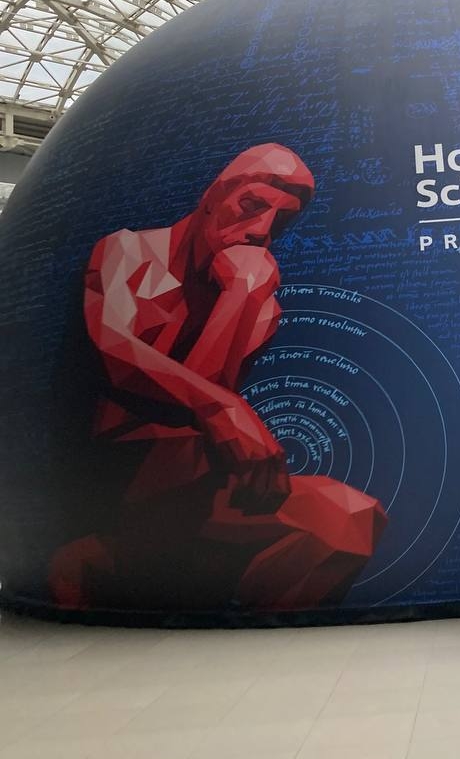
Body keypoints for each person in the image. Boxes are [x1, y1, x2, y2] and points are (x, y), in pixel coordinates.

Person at [49, 143, 386, 614]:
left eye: (281, 221)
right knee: (187, 450)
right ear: (213, 195)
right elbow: (116, 357)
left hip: (190, 480)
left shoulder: (258, 300)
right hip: (110, 475)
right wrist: (222, 407)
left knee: (350, 518)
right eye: (251, 205)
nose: (261, 230)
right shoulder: (128, 251)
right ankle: (116, 560)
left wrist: (241, 293)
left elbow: (198, 404)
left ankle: (251, 629)